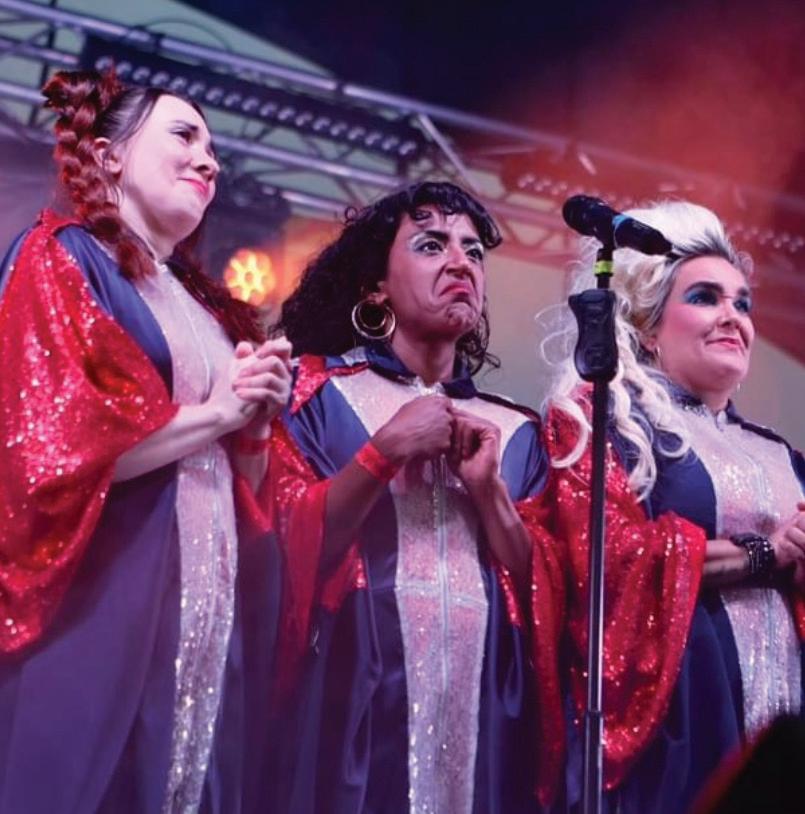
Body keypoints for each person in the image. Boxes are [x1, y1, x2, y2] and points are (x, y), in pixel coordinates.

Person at [0, 70, 292, 812]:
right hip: (105, 604)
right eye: (185, 135)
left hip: (205, 613)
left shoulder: (207, 308)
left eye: (215, 151)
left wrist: (255, 426)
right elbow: (49, 456)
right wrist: (220, 414)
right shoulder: (62, 258)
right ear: (109, 156)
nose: (209, 161)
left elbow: (247, 494)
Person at [264, 181, 561, 814]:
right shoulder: (313, 392)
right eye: (432, 245)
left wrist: (490, 493)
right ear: (376, 286)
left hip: (490, 702)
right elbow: (281, 545)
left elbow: (547, 588)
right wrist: (384, 451)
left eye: (474, 252)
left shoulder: (519, 430)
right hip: (353, 694)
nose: (461, 263)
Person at [540, 200, 805, 813]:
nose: (733, 317)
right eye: (705, 298)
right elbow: (605, 561)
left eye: (743, 304)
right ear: (648, 326)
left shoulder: (782, 455)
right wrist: (765, 553)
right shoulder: (603, 424)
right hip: (680, 721)